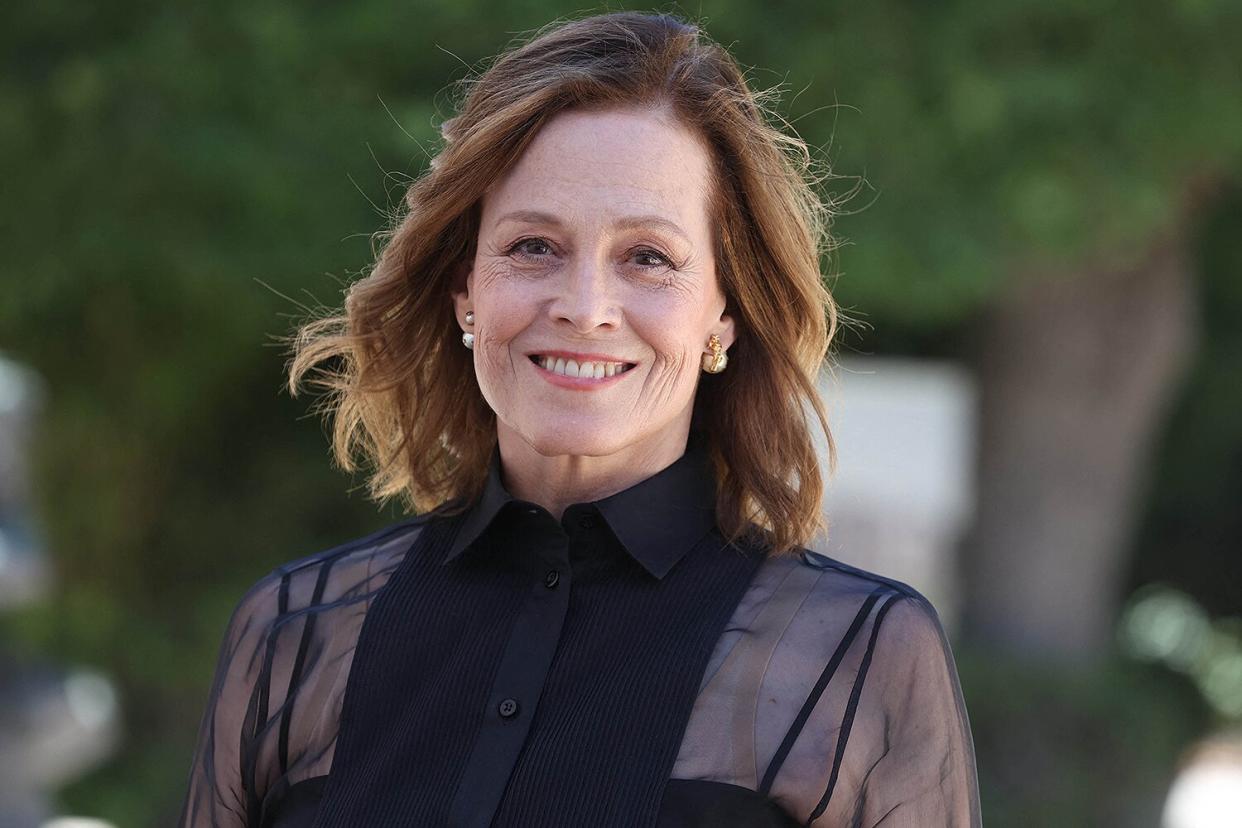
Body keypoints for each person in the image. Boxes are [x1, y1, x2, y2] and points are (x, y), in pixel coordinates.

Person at [178, 11, 981, 828]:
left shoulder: (855, 658)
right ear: (466, 289)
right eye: (533, 247)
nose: (585, 309)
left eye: (648, 258)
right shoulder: (294, 637)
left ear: (723, 316)